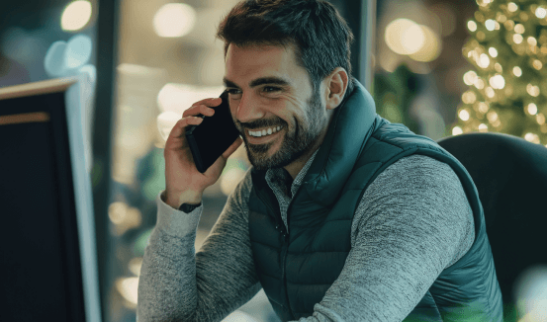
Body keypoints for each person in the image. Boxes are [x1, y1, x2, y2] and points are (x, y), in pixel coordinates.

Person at [137, 0, 504, 321]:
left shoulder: (414, 185)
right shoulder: (267, 184)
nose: (245, 113)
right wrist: (181, 198)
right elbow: (167, 320)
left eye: (270, 88)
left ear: (333, 89)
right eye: (235, 90)